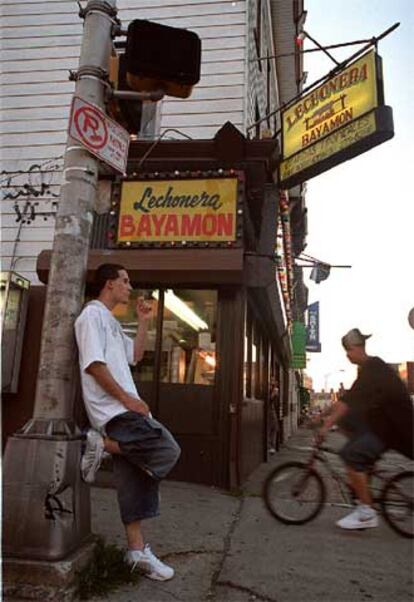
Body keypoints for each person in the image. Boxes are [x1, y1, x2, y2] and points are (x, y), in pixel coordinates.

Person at [74, 263, 181, 581]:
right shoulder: (91, 316)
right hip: (114, 411)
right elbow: (93, 365)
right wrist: (127, 399)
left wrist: (144, 321)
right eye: (125, 281)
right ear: (109, 284)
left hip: (124, 409)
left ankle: (136, 552)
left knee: (137, 474)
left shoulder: (111, 321)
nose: (129, 287)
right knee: (167, 450)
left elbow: (135, 354)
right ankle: (99, 444)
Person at [318, 328, 414, 531]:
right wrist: (321, 415)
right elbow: (347, 400)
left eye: (348, 351)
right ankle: (364, 477)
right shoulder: (370, 369)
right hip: (383, 427)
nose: (347, 356)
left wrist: (325, 426)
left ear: (356, 348)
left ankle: (366, 513)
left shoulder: (374, 368)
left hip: (392, 430)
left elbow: (346, 402)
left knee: (351, 456)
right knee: (349, 427)